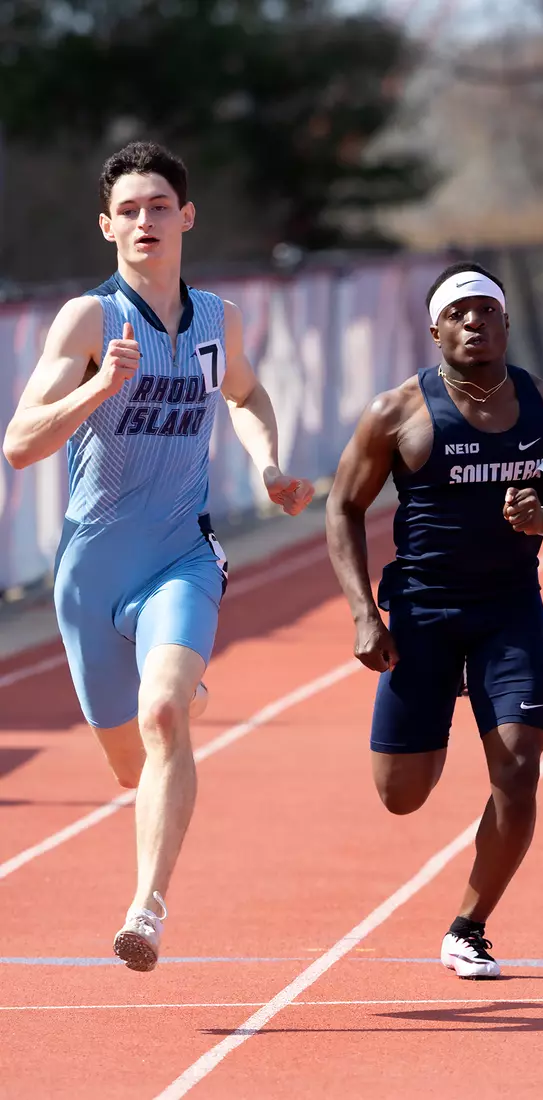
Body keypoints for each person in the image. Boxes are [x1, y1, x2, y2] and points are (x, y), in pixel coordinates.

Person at [1, 141, 315, 970]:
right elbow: (20, 445)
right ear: (108, 226)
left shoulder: (220, 319)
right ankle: (167, 702)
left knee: (165, 713)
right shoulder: (88, 321)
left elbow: (244, 394)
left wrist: (268, 461)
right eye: (129, 210)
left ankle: (146, 908)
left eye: (159, 206)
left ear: (186, 216)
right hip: (89, 574)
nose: (146, 220)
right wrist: (99, 387)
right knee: (128, 768)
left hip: (181, 554)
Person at [325, 261, 543, 979]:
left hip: (508, 611)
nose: (474, 322)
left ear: (507, 321)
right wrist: (366, 614)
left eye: (487, 309)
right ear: (434, 330)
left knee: (518, 772)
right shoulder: (396, 413)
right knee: (402, 796)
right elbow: (343, 508)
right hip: (421, 613)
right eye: (458, 313)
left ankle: (469, 925)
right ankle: (438, 711)